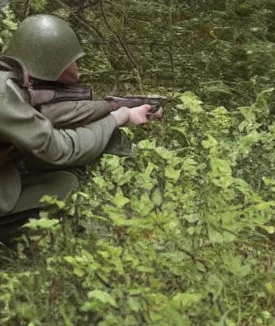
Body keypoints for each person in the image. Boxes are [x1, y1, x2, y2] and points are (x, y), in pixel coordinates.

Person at [0, 14, 162, 239]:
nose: (78, 68)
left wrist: (115, 109)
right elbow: (63, 149)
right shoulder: (4, 97)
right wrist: (118, 118)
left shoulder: (9, 84)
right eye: (73, 62)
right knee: (62, 184)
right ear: (52, 62)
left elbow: (54, 114)